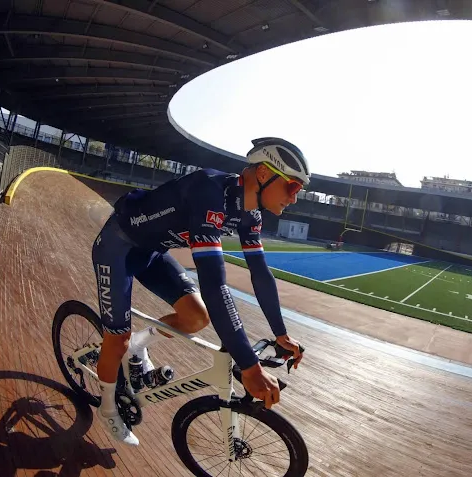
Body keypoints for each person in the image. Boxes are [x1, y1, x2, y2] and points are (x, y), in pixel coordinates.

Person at [92, 137, 309, 446]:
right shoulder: (209, 191)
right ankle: (108, 406)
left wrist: (281, 332)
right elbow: (214, 284)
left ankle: (138, 347)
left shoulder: (251, 215)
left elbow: (260, 274)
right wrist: (249, 365)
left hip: (153, 251)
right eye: (293, 187)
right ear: (263, 174)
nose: (295, 198)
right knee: (116, 340)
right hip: (119, 247)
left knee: (196, 317)